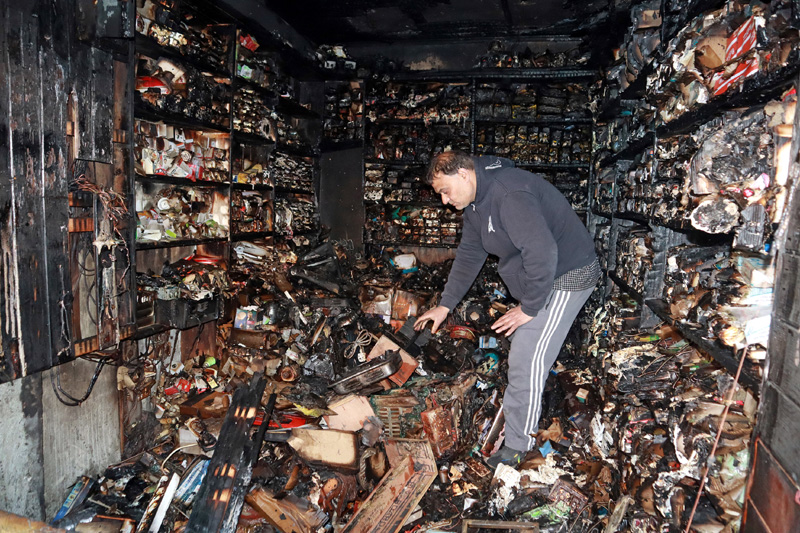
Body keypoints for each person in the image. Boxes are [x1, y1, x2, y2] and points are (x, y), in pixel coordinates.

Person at [414, 150, 600, 468]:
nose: (444, 201)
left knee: (526, 358)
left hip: (567, 275)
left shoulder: (509, 194)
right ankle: (525, 414)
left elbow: (543, 251)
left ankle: (518, 447)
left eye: (445, 190)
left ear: (463, 174)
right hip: (541, 276)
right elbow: (470, 253)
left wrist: (529, 308)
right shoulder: (475, 203)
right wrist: (445, 306)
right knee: (522, 349)